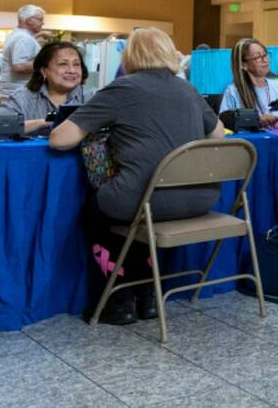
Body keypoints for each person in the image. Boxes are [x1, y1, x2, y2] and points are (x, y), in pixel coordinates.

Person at [50, 28, 225, 325]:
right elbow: (218, 133)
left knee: (100, 211)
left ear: (130, 55)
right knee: (139, 210)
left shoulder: (122, 89)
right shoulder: (188, 89)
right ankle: (148, 297)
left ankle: (118, 302)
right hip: (201, 198)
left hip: (148, 200)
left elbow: (59, 140)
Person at [0, 42, 93, 135]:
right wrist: (43, 122)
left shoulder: (92, 98)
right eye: (63, 64)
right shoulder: (22, 98)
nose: (72, 71)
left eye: (76, 64)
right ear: (44, 71)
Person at [220, 38, 278, 126]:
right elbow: (223, 124)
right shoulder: (232, 92)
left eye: (265, 55)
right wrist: (256, 121)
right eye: (258, 57)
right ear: (243, 65)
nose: (265, 60)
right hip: (247, 140)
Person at [0, 4, 45, 102]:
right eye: (40, 19)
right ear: (29, 20)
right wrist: (45, 63)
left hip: (13, 93)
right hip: (16, 94)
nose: (42, 23)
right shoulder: (24, 38)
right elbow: (19, 66)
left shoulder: (19, 35)